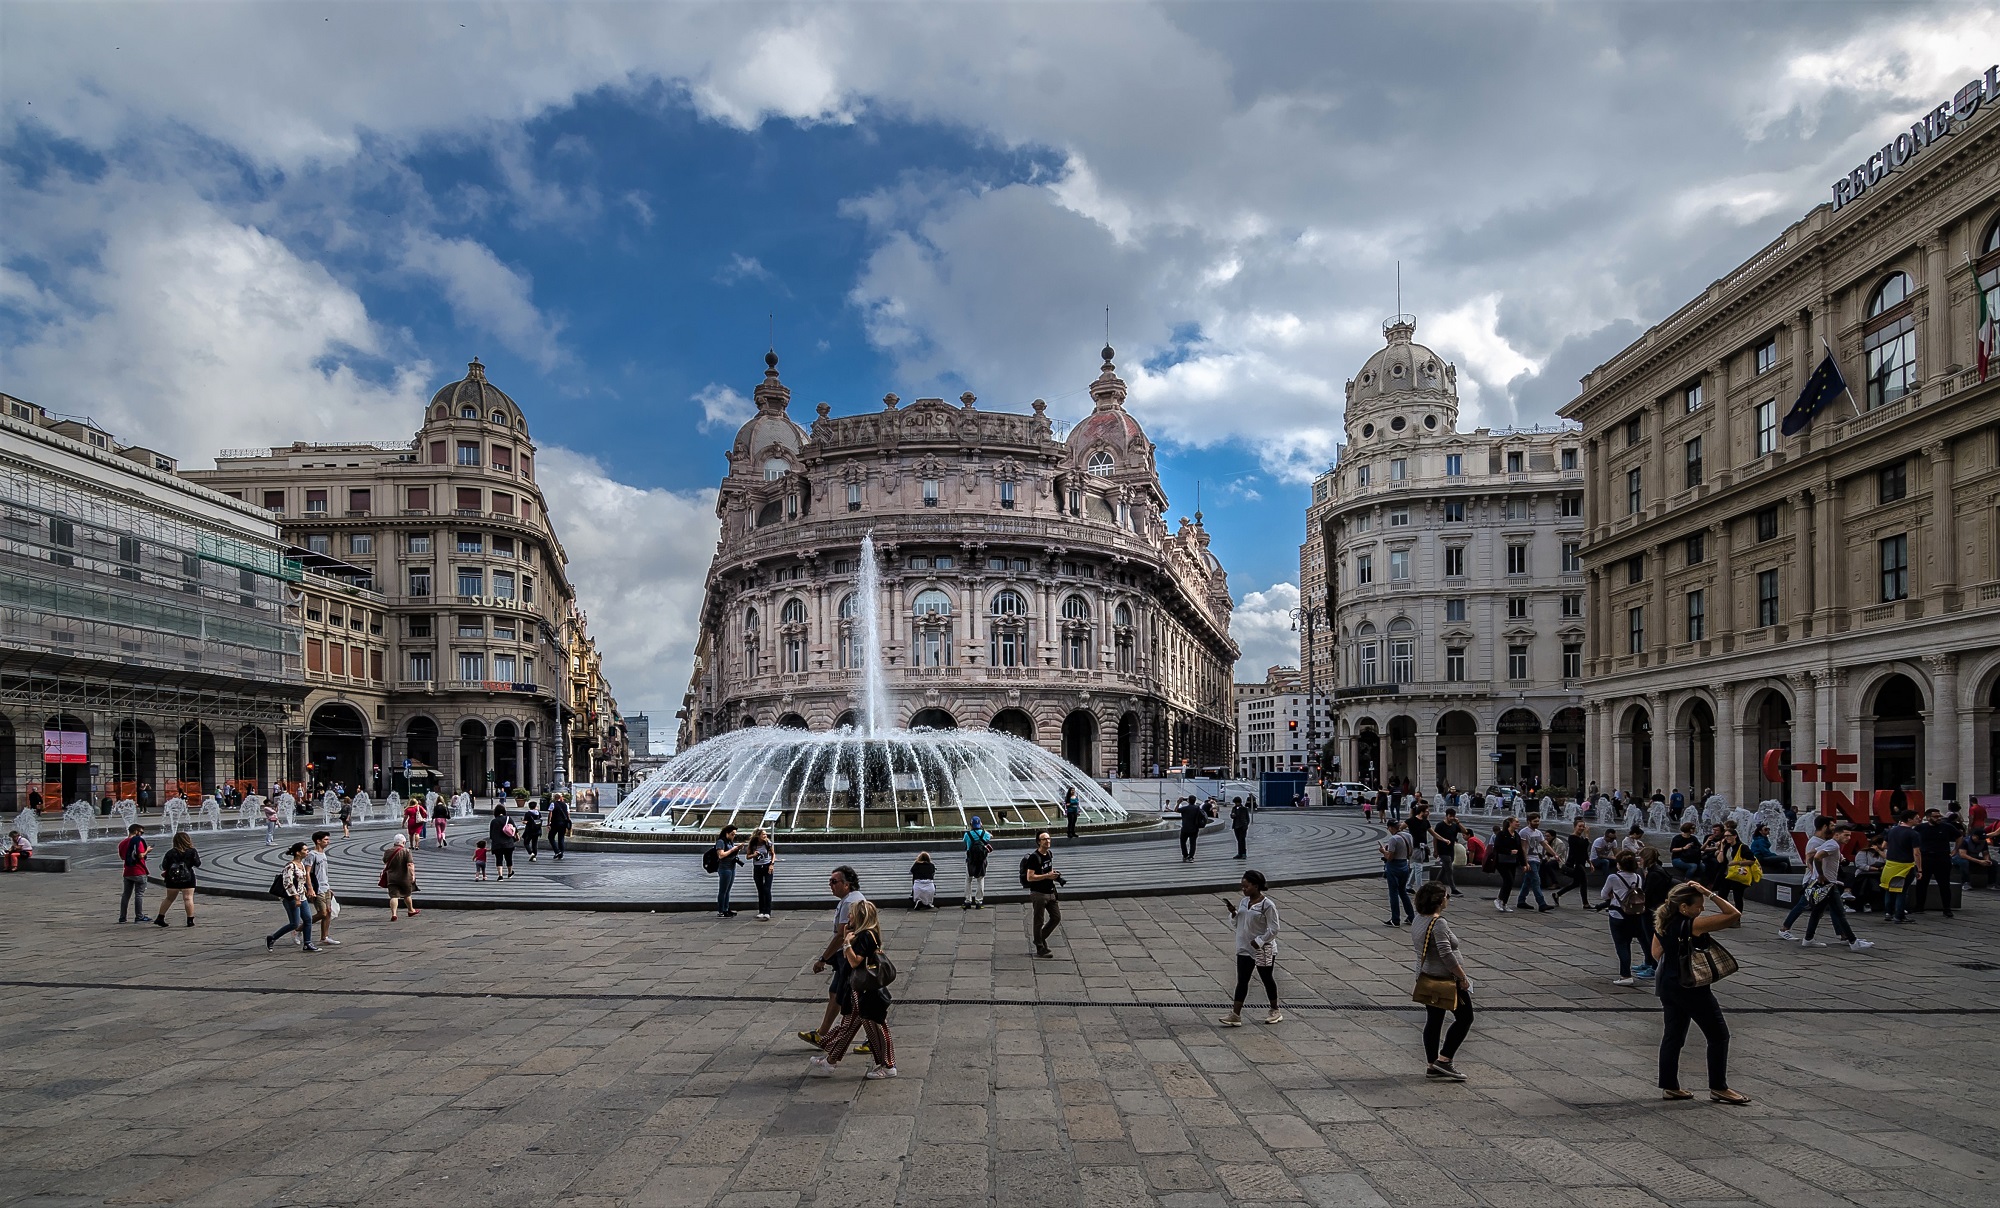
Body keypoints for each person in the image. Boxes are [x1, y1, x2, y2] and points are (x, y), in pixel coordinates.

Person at [1650, 881, 1750, 1105]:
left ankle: (1670, 1086)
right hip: (1692, 987)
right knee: (1718, 1035)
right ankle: (1719, 1087)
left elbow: (1656, 953)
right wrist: (1711, 893)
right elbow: (1733, 914)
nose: (1702, 909)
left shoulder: (1663, 921)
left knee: (1673, 1035)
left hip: (1668, 984)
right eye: (1699, 905)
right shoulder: (1693, 925)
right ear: (1684, 907)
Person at [808, 900, 897, 1080]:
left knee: (876, 1027)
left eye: (851, 914)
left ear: (859, 917)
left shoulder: (866, 935)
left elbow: (855, 961)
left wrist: (847, 944)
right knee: (849, 1023)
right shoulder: (862, 934)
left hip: (868, 990)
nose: (848, 917)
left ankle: (888, 1065)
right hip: (859, 988)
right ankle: (831, 1060)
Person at [798, 866, 867, 1051]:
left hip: (853, 955)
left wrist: (823, 958)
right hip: (847, 954)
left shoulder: (850, 902)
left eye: (834, 881)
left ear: (847, 884)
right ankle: (822, 1034)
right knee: (836, 992)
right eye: (830, 881)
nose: (830, 885)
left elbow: (840, 935)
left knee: (860, 999)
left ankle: (872, 1039)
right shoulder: (850, 899)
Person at [1410, 880, 1473, 1081]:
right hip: (1447, 979)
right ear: (1439, 900)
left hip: (1428, 977)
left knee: (1434, 1020)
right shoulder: (1439, 923)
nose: (1448, 899)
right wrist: (1462, 977)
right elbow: (1447, 955)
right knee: (1465, 1018)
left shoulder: (1418, 919)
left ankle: (1432, 1065)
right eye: (1447, 896)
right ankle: (1444, 1060)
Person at [1780, 818, 1872, 951]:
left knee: (1818, 912)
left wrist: (1818, 871)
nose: (1848, 838)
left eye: (1850, 835)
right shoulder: (1831, 844)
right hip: (1825, 884)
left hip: (1823, 883)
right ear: (1835, 833)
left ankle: (1809, 939)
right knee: (1838, 912)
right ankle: (1852, 941)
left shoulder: (1828, 843)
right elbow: (1814, 857)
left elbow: (1812, 855)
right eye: (1846, 835)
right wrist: (1819, 875)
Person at [1218, 870, 1282, 1026]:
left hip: (1263, 949)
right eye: (1242, 886)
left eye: (1246, 886)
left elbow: (1274, 929)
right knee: (1242, 981)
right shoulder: (1244, 902)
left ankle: (1275, 1010)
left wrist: (1260, 941)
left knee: (1266, 978)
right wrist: (1234, 914)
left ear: (1256, 885)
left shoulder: (1267, 905)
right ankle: (1235, 1014)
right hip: (1244, 947)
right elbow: (1239, 922)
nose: (1244, 889)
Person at [1602, 853, 1648, 986]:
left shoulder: (1613, 877)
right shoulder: (1638, 877)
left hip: (1617, 913)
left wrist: (1613, 895)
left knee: (1621, 945)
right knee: (1630, 942)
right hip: (1635, 913)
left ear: (1619, 865)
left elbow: (1604, 894)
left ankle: (1625, 975)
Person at [267, 842, 319, 952]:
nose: (307, 851)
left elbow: (301, 881)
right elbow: (287, 883)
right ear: (297, 852)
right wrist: (296, 897)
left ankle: (307, 943)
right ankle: (272, 938)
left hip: (302, 896)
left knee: (308, 919)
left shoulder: (302, 865)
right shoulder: (290, 866)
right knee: (294, 923)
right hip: (291, 898)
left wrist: (306, 891)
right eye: (305, 850)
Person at [1021, 832, 1064, 958]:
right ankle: (1040, 947)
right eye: (1044, 839)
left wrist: (1055, 876)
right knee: (1038, 920)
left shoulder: (1049, 854)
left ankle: (1040, 938)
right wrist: (1047, 876)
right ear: (1038, 842)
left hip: (1050, 891)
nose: (1047, 841)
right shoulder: (1034, 857)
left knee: (1056, 917)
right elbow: (1030, 877)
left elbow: (1048, 869)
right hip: (1038, 893)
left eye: (1049, 838)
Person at [1909, 808, 1958, 918]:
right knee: (1922, 883)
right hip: (1926, 857)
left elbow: (1959, 836)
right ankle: (1919, 906)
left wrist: (1955, 850)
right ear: (1928, 818)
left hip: (1942, 857)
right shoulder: (1920, 828)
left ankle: (1947, 908)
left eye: (1939, 816)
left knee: (1944, 884)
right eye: (1935, 817)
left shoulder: (1946, 827)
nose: (1938, 818)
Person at [154, 831, 200, 928]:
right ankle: (190, 920)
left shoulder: (170, 852)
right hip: (188, 878)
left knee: (169, 898)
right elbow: (197, 863)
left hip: (172, 878)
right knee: (188, 898)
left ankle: (160, 917)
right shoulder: (192, 851)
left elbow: (164, 866)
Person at [1879, 811, 1919, 922]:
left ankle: (1888, 913)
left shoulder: (1891, 831)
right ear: (1909, 819)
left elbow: (1883, 845)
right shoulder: (1913, 834)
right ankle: (1899, 915)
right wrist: (1919, 869)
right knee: (1902, 891)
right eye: (1916, 818)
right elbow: (1916, 853)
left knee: (1889, 889)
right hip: (1905, 865)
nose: (1918, 819)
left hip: (1890, 864)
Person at [305, 830, 341, 947]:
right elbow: (307, 873)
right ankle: (299, 928)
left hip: (325, 887)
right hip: (317, 888)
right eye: (326, 840)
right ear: (318, 841)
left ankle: (324, 937)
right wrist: (310, 889)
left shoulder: (323, 854)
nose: (328, 842)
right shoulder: (312, 855)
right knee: (322, 913)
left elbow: (323, 873)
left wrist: (328, 887)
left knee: (329, 912)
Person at [1379, 819, 1416, 926]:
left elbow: (1389, 857)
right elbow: (1411, 852)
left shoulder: (1393, 839)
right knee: (1403, 892)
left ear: (1391, 827)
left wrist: (1383, 851)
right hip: (1404, 864)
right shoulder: (1408, 836)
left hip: (1394, 867)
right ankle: (1411, 916)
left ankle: (1395, 919)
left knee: (1393, 893)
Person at [1515, 814, 1555, 912]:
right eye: (1535, 821)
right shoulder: (1524, 832)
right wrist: (1525, 862)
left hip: (1537, 859)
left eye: (1538, 821)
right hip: (1529, 860)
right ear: (1529, 821)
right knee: (1536, 881)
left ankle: (1521, 901)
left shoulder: (1538, 832)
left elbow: (1544, 844)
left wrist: (1555, 854)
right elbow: (1523, 849)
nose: (1537, 823)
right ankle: (1541, 903)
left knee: (1528, 881)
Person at [1551, 819, 1592, 906]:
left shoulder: (1581, 838)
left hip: (1580, 863)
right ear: (1575, 827)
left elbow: (1584, 851)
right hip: (1574, 864)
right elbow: (1583, 845)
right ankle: (1586, 904)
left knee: (1576, 883)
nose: (1581, 828)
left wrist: (1590, 862)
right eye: (1579, 826)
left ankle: (1557, 894)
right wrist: (1587, 835)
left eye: (1583, 826)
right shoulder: (1572, 837)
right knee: (1584, 882)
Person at [116, 824, 150, 924]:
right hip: (139, 870)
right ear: (136, 831)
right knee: (139, 894)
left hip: (127, 871)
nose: (141, 835)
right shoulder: (137, 841)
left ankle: (122, 917)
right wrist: (147, 850)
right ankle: (139, 916)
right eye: (141, 832)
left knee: (125, 895)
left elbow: (123, 857)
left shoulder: (122, 843)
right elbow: (140, 855)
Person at [383, 832, 419, 920]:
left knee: (393, 896)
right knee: (407, 894)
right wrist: (412, 876)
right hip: (404, 877)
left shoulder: (388, 851)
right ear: (403, 842)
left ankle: (394, 914)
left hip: (391, 877)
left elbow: (385, 862)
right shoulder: (406, 851)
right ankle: (411, 910)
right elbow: (410, 864)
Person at [1488, 818, 1522, 911]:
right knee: (1508, 880)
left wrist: (1524, 863)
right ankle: (1499, 899)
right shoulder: (1502, 834)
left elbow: (1520, 850)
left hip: (1512, 862)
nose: (1518, 823)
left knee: (1510, 883)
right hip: (1502, 861)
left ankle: (1504, 903)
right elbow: (1497, 847)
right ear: (1510, 823)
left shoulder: (1516, 835)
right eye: (1516, 822)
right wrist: (1509, 851)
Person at [712, 825, 745, 917]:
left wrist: (737, 849)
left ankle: (726, 908)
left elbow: (731, 853)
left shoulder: (730, 841)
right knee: (723, 890)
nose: (733, 836)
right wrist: (733, 849)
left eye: (734, 834)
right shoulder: (721, 842)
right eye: (732, 834)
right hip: (724, 868)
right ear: (727, 833)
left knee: (728, 890)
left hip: (732, 867)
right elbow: (721, 855)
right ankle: (721, 910)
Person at [1431, 808, 1464, 896]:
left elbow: (1465, 831)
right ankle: (1453, 889)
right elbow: (1435, 838)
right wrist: (1435, 850)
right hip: (1442, 850)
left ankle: (1434, 886)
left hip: (1451, 850)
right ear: (1446, 816)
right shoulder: (1440, 825)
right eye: (1450, 816)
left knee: (1444, 868)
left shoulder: (1454, 825)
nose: (1452, 818)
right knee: (1449, 869)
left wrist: (1458, 823)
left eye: (1453, 816)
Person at [962, 816, 993, 910]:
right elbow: (991, 836)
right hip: (981, 860)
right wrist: (983, 829)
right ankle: (979, 902)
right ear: (980, 824)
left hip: (970, 860)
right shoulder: (984, 833)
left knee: (968, 880)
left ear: (971, 824)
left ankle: (967, 901)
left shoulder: (967, 834)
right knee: (980, 880)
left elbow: (964, 841)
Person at [748, 827, 777, 919]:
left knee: (767, 889)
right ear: (758, 836)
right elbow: (748, 856)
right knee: (760, 890)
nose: (765, 836)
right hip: (757, 868)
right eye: (763, 834)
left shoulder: (768, 843)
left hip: (767, 867)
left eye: (765, 834)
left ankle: (767, 912)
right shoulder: (752, 844)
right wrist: (754, 855)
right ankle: (761, 911)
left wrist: (772, 864)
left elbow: (773, 854)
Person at [1956, 825, 1995, 890]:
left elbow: (1985, 853)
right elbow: (1963, 855)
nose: (1981, 840)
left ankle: (1991, 883)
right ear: (1974, 836)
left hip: (1974, 857)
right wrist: (1979, 861)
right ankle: (1965, 882)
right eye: (1979, 839)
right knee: (1964, 863)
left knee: (1993, 864)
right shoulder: (1965, 841)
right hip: (1961, 858)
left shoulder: (1983, 842)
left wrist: (1987, 860)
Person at [488, 804, 517, 880]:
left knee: (499, 859)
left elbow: (491, 835)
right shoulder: (508, 818)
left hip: (497, 844)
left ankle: (500, 876)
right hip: (508, 843)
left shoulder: (493, 821)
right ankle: (510, 873)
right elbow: (515, 829)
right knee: (509, 858)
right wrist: (517, 837)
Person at [1177, 796, 1206, 862]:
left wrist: (1178, 802)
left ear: (1188, 801)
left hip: (1185, 828)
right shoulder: (1197, 808)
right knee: (1193, 843)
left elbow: (1176, 810)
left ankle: (1185, 855)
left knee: (1183, 842)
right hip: (1194, 828)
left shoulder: (1185, 808)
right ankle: (1191, 857)